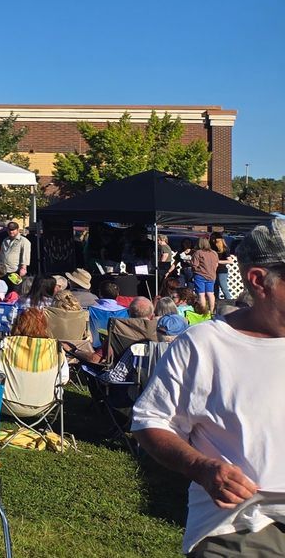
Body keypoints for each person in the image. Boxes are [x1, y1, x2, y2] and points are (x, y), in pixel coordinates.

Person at [136, 224, 285, 556]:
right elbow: (150, 421)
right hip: (244, 526)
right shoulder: (205, 345)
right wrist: (202, 468)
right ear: (259, 280)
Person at [189, 238, 221, 318]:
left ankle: (203, 312)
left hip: (200, 275)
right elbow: (217, 264)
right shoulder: (214, 253)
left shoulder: (198, 253)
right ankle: (212, 312)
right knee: (210, 294)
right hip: (211, 276)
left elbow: (194, 265)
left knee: (201, 294)